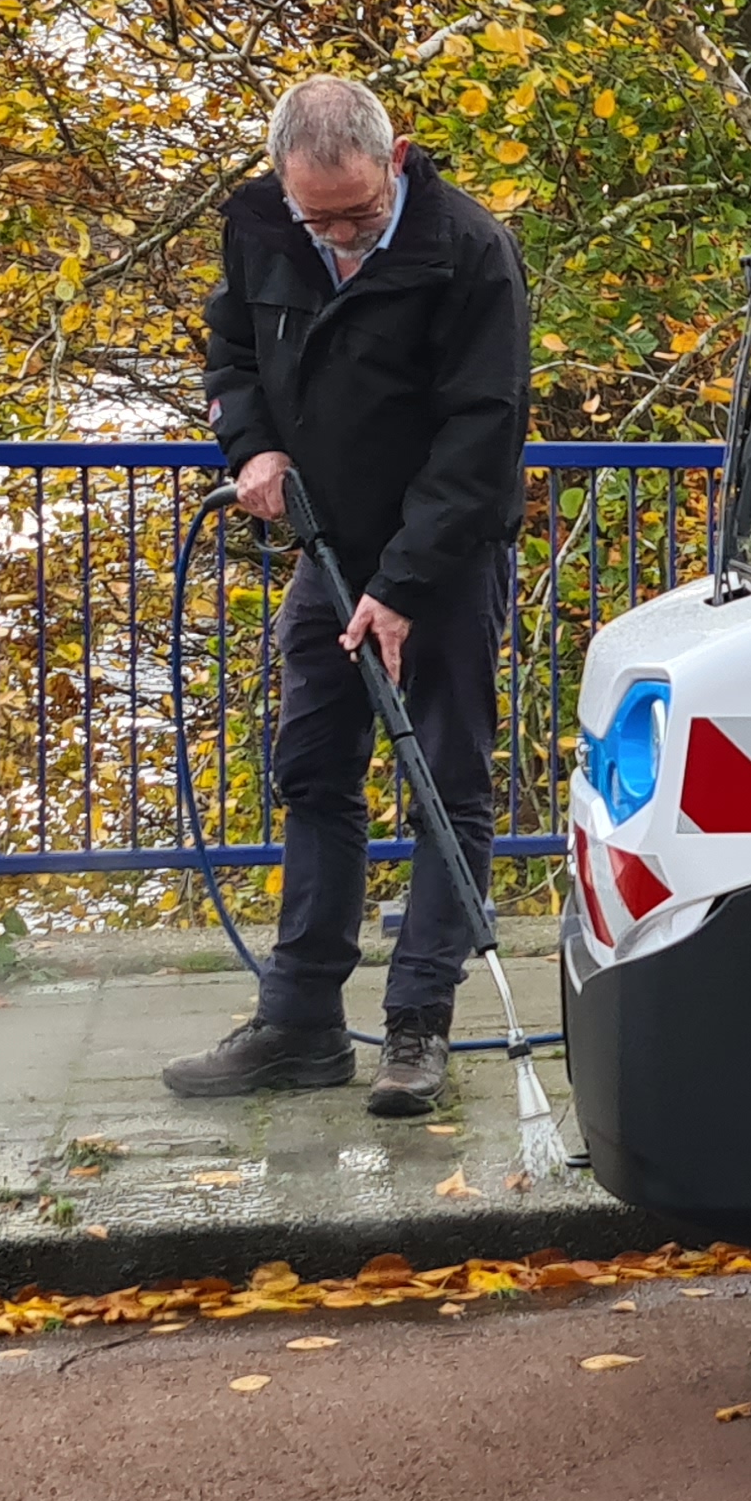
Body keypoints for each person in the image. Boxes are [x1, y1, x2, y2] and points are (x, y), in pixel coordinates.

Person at [164, 76, 531, 1116]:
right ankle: (300, 1023)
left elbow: (481, 432)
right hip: (326, 552)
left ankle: (418, 1027)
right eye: (317, 218)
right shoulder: (260, 226)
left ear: (398, 158)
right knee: (312, 768)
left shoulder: (468, 253)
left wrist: (406, 586)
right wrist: (255, 445)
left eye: (359, 215)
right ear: (284, 185)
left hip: (444, 558)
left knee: (445, 783)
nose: (340, 240)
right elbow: (230, 351)